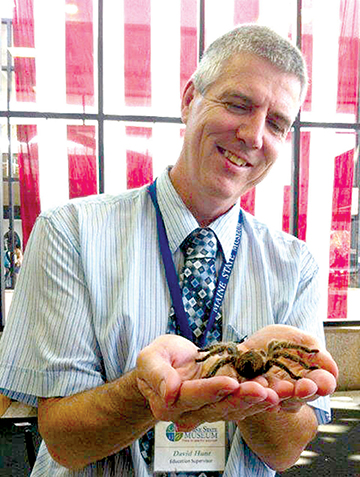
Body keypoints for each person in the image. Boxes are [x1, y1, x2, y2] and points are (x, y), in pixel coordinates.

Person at [0, 24, 338, 476]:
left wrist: (259, 395)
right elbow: (63, 440)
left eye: (276, 123)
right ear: (188, 99)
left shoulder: (297, 267)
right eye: (239, 104)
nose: (254, 136)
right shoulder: (71, 232)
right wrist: (148, 392)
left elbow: (285, 453)